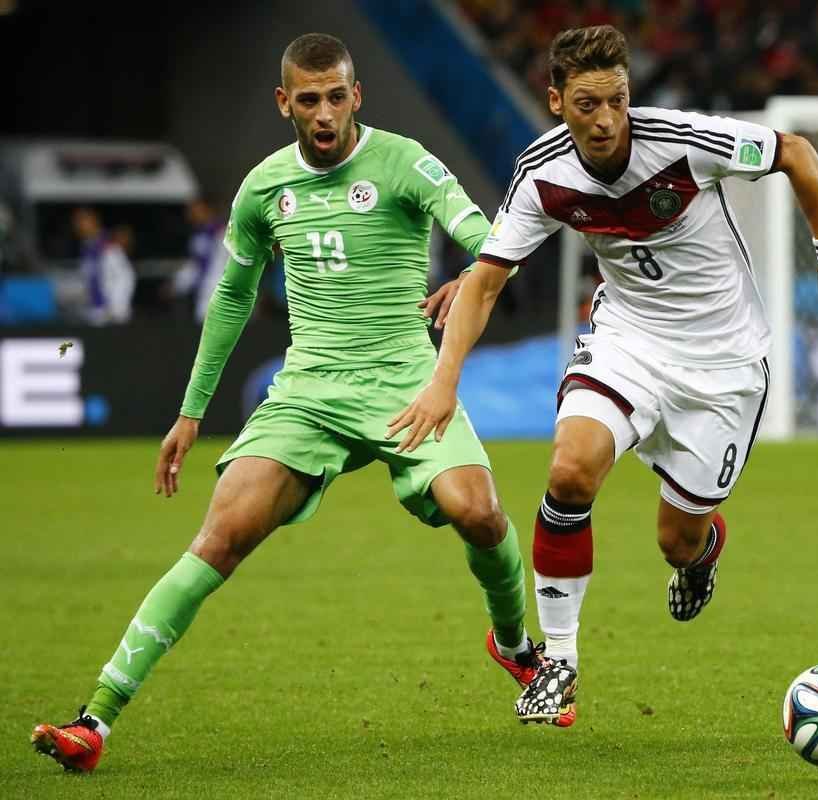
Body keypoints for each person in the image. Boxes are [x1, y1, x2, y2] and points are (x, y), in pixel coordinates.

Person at [31, 33, 538, 773]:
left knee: (480, 512)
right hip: (308, 395)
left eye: (337, 96)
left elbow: (485, 236)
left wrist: (475, 272)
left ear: (356, 94)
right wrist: (190, 411)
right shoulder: (265, 187)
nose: (325, 112)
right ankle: (95, 721)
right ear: (284, 104)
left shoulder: (405, 162)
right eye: (309, 100)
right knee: (218, 539)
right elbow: (233, 296)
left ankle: (517, 645)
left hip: (404, 381)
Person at [390, 24, 818, 726]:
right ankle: (558, 660)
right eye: (587, 104)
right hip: (630, 343)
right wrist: (444, 380)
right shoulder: (543, 174)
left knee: (676, 538)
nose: (606, 119)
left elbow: (795, 152)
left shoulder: (681, 138)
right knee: (570, 471)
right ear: (557, 100)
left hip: (724, 363)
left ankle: (701, 556)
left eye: (617, 100)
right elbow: (487, 281)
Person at [73, 206, 136, 325]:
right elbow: (89, 280)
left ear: (94, 220)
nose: (79, 225)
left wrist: (118, 306)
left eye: (82, 220)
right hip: (96, 312)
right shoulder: (86, 248)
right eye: (76, 222)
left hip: (111, 314)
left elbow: (125, 276)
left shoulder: (107, 244)